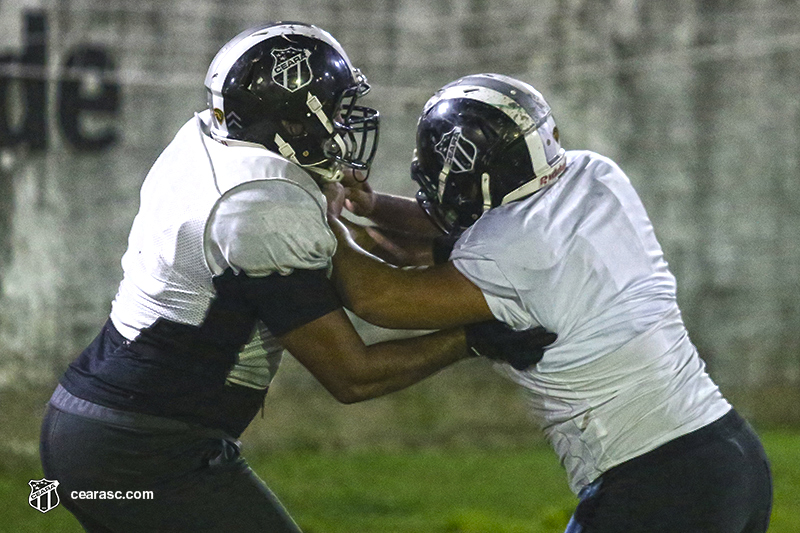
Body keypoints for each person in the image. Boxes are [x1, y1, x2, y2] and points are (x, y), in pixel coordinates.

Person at [39, 27, 552, 533]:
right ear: (290, 119)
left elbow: (341, 248)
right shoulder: (262, 205)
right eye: (334, 109)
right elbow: (353, 375)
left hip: (98, 426)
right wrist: (474, 339)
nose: (342, 125)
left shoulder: (211, 143)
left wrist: (366, 213)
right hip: (144, 451)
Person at [324, 73, 773, 533]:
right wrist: (372, 206)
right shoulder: (594, 174)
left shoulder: (513, 246)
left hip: (657, 480)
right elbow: (447, 238)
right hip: (729, 452)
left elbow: (379, 297)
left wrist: (317, 210)